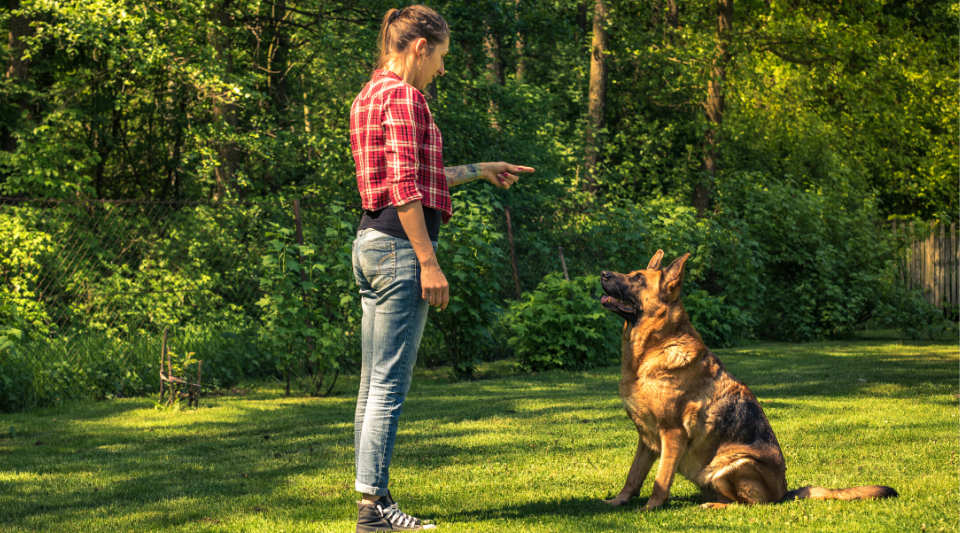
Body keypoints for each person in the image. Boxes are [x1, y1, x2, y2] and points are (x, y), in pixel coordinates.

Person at [349, 5, 534, 532]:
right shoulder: (407, 98)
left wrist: (482, 170)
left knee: (371, 384)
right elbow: (407, 187)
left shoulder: (369, 95)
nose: (443, 71)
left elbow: (418, 177)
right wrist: (429, 262)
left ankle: (371, 497)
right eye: (443, 58)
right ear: (420, 47)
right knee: (388, 384)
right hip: (400, 250)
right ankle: (374, 510)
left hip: (369, 241)